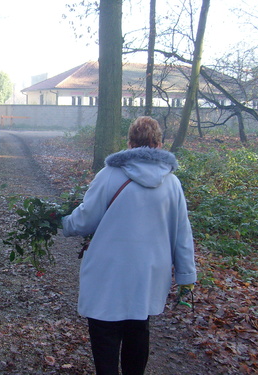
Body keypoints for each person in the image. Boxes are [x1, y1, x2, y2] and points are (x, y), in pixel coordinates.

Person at [62, 116, 197, 375]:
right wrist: (186, 277)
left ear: (130, 143)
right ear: (158, 144)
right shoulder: (172, 183)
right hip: (147, 275)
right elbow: (183, 233)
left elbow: (84, 220)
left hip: (108, 273)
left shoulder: (109, 175)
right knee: (138, 328)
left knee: (104, 334)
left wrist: (62, 222)